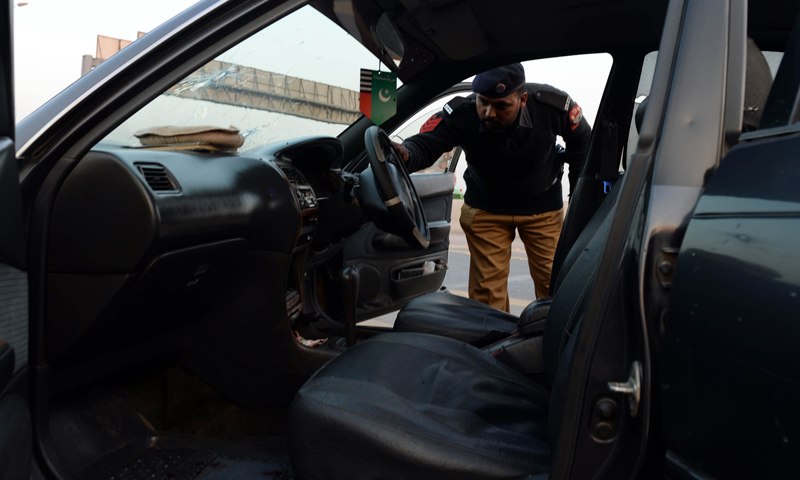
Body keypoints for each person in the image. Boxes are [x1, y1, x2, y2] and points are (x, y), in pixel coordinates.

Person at [392, 63, 591, 312]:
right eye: (483, 102)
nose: (488, 113)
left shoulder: (551, 106)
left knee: (556, 286)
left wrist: (578, 196)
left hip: (543, 207)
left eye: (501, 106)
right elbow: (427, 143)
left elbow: (582, 139)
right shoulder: (463, 112)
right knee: (487, 299)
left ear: (523, 99)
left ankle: (551, 342)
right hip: (486, 208)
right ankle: (493, 347)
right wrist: (407, 154)